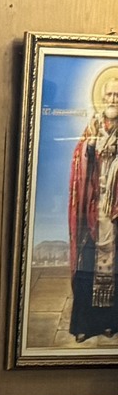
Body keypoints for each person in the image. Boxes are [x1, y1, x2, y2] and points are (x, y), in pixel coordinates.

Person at [68, 66, 118, 339]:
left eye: (117, 95)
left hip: (115, 210)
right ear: (102, 97)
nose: (113, 99)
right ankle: (84, 326)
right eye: (109, 94)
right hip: (93, 207)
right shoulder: (93, 127)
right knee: (87, 265)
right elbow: (79, 161)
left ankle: (110, 322)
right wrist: (90, 149)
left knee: (115, 266)